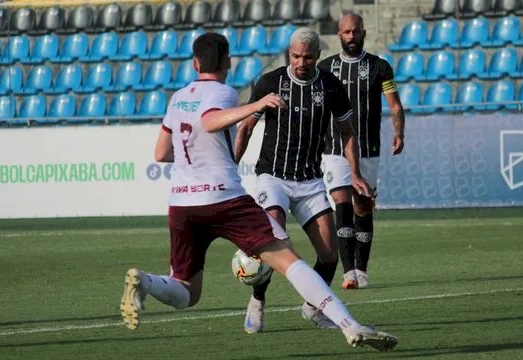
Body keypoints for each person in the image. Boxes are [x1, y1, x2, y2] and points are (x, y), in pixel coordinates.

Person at [119, 32, 398, 352]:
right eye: (296, 56)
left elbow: (161, 153)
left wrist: (197, 155)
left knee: (186, 294)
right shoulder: (225, 92)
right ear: (227, 62)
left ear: (194, 63)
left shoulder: (178, 97)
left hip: (183, 203)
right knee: (289, 259)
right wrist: (255, 105)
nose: (301, 62)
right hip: (226, 198)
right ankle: (350, 325)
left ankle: (145, 280)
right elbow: (211, 122)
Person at [234, 27, 374, 334]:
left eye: (308, 57)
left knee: (329, 255)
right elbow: (244, 128)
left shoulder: (331, 86)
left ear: (317, 56)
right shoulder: (271, 83)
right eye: (296, 56)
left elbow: (348, 133)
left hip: (310, 181)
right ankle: (257, 301)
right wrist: (231, 168)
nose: (301, 62)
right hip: (273, 176)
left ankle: (312, 308)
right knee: (272, 240)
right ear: (289, 53)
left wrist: (356, 173)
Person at [318, 13, 406, 290]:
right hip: (334, 149)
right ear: (339, 35)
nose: (351, 36)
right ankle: (348, 274)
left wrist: (399, 132)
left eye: (355, 31)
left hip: (369, 148)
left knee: (363, 207)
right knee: (341, 205)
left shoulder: (380, 67)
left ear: (363, 32)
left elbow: (394, 104)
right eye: (346, 32)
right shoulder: (325, 68)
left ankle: (362, 268)